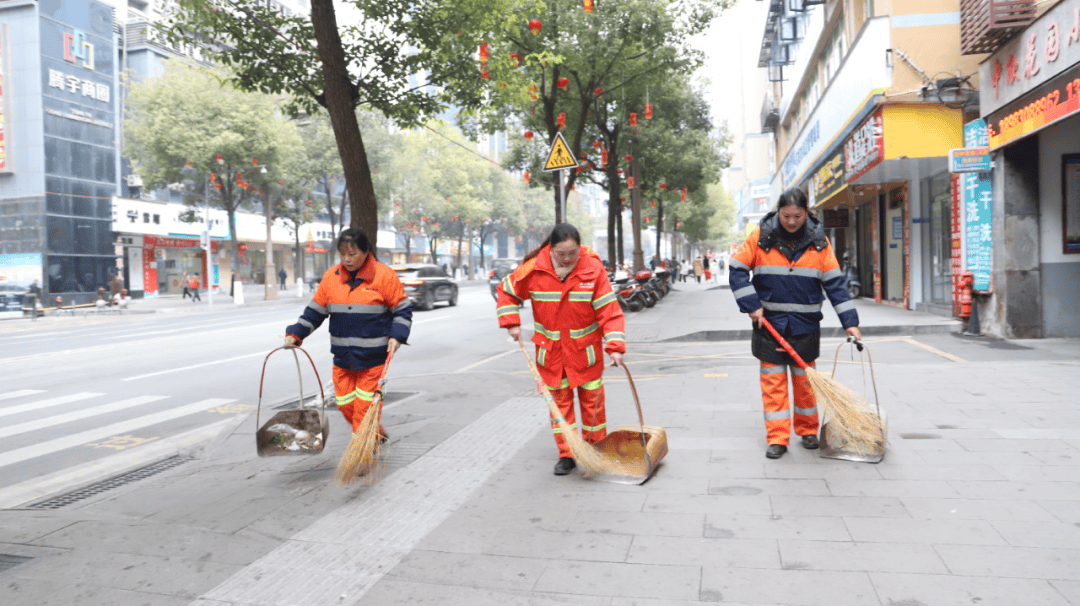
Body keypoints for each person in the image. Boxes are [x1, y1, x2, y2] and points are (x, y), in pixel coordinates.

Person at [729, 188, 861, 460]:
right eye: (786, 215)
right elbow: (737, 270)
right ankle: (777, 437)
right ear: (778, 211)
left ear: (807, 212)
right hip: (770, 326)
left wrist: (850, 322)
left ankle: (808, 430)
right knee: (773, 384)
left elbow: (835, 285)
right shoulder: (760, 238)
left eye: (797, 216)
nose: (791, 221)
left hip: (805, 325)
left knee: (805, 384)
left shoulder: (820, 242)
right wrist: (752, 306)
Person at [495, 223, 626, 476]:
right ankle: (567, 454)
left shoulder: (592, 269)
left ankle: (593, 450)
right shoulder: (534, 269)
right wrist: (511, 322)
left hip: (585, 354)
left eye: (572, 253)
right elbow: (506, 292)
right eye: (561, 254)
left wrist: (615, 347)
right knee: (559, 409)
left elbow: (609, 312)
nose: (567, 259)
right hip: (552, 355)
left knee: (593, 406)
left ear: (580, 248)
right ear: (550, 248)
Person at [284, 228, 412, 442]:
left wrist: (397, 335)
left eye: (352, 255)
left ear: (366, 252)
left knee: (363, 410)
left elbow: (402, 309)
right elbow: (315, 312)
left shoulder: (384, 276)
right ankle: (375, 433)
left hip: (373, 358)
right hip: (343, 358)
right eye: (343, 254)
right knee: (345, 405)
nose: (347, 259)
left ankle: (360, 457)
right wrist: (296, 334)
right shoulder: (331, 278)